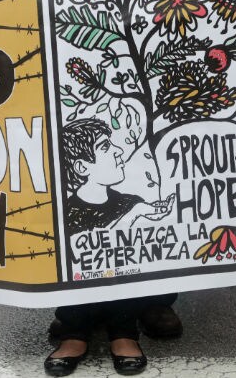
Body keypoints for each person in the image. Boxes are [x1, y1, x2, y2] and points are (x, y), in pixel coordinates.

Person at [0, 0, 185, 343]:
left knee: (141, 181)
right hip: (53, 68)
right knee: (73, 191)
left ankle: (152, 299)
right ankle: (77, 307)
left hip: (130, 65)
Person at [45, 119, 173, 376]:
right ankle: (74, 330)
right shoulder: (67, 210)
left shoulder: (130, 202)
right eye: (105, 147)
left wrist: (143, 215)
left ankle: (124, 331)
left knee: (128, 261)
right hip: (76, 289)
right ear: (82, 166)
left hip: (128, 289)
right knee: (72, 266)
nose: (118, 150)